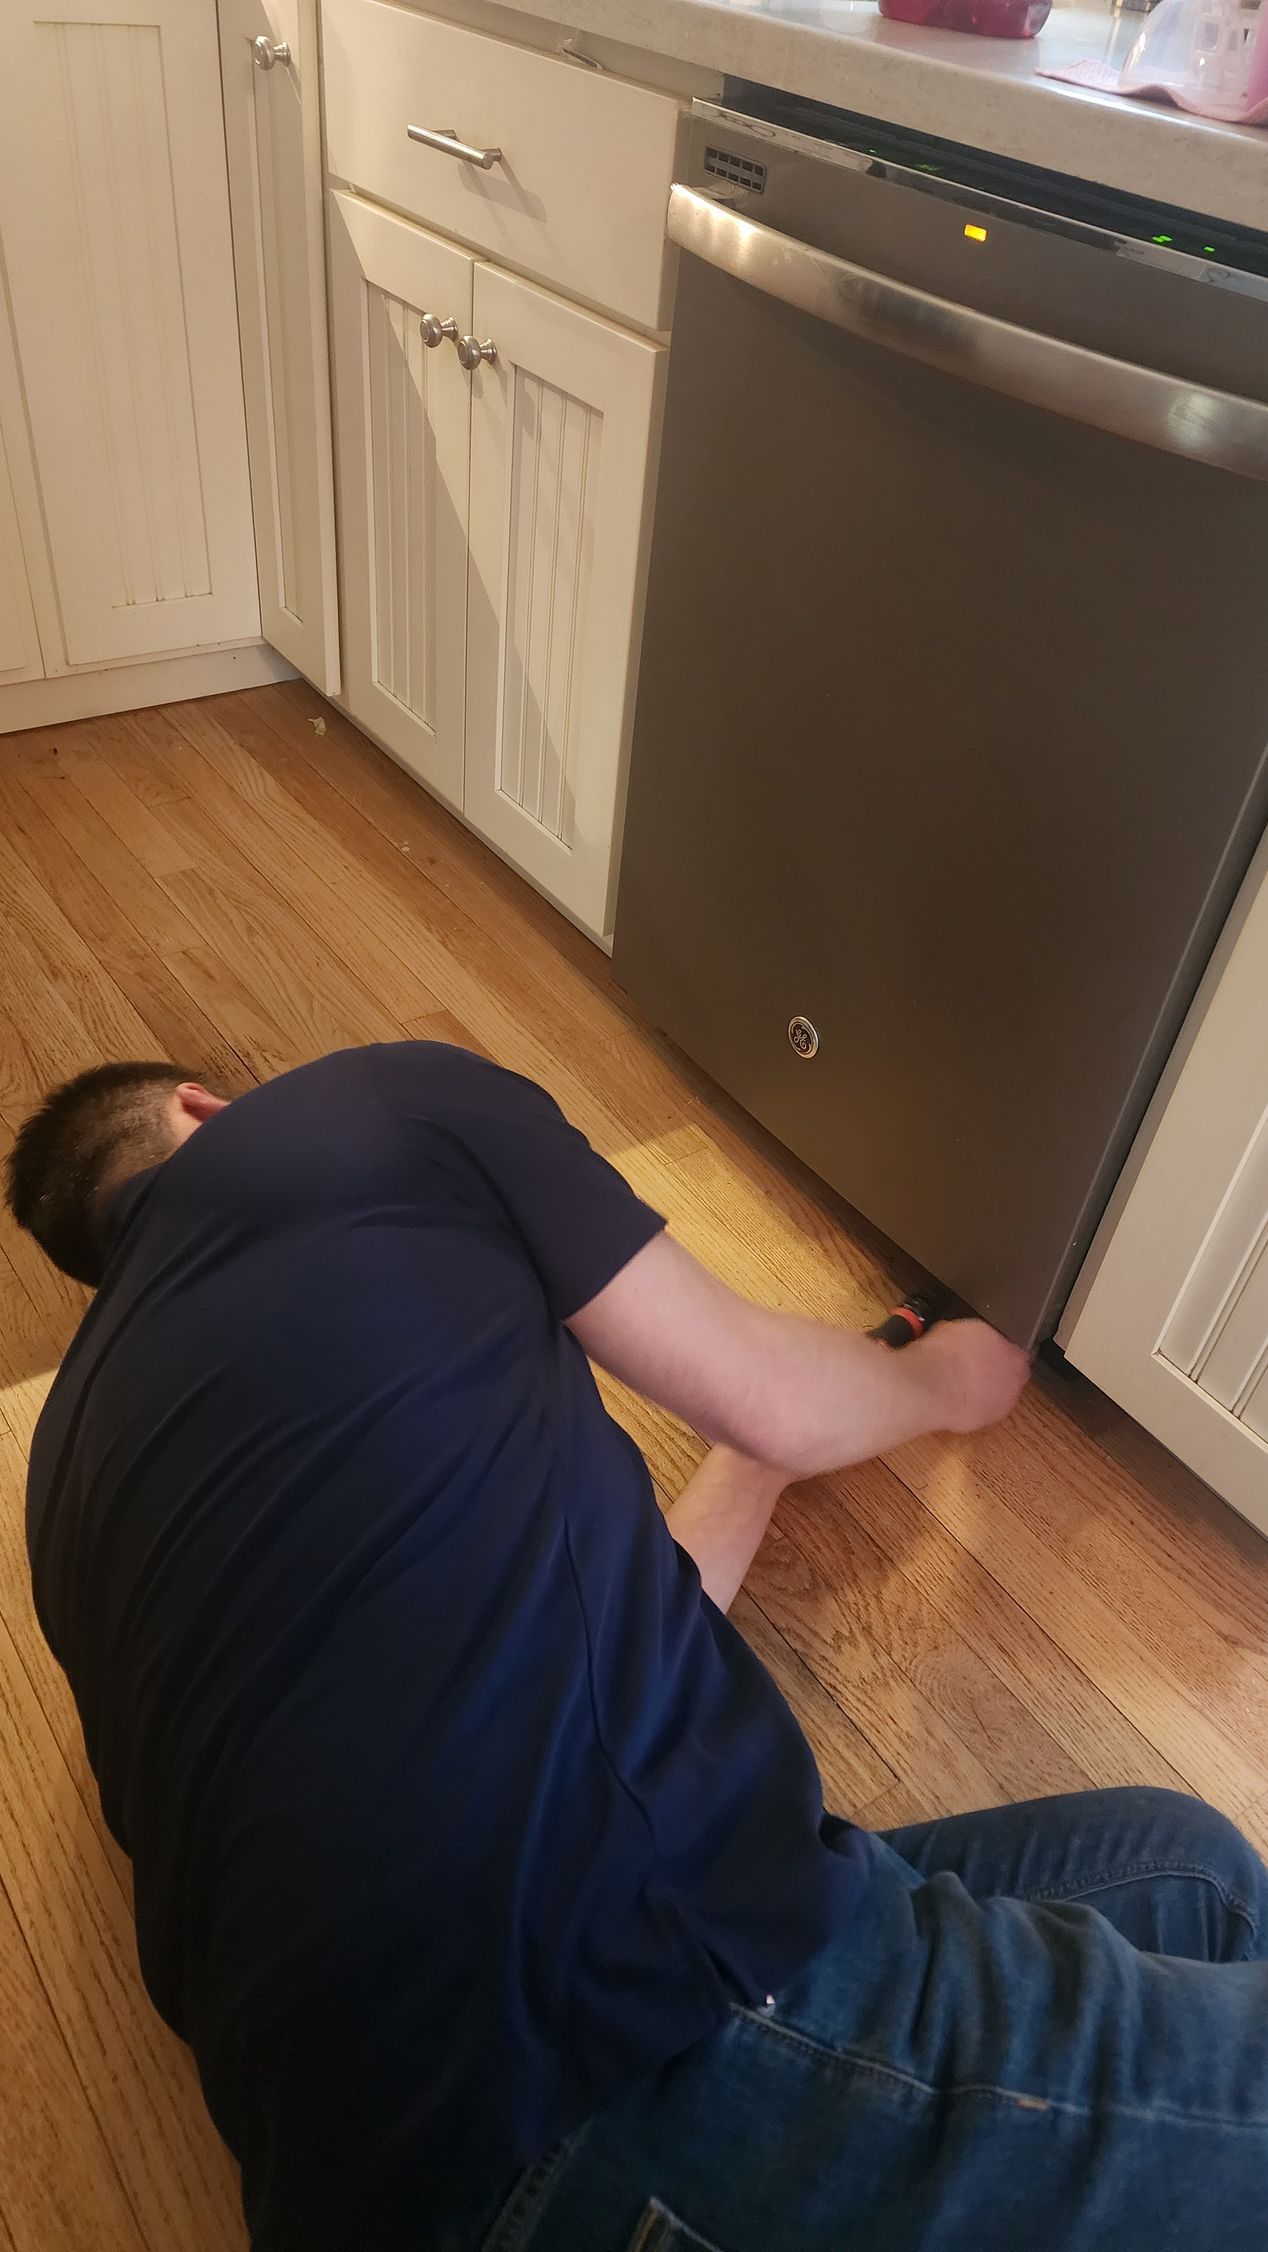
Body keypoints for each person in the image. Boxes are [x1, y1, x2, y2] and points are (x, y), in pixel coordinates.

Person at [6, 1044, 1267, 2252]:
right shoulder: (367, 1107)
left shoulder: (62, 1482)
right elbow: (766, 1387)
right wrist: (944, 1377)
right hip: (655, 2048)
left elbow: (565, 1659)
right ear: (211, 1104)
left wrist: (756, 1472)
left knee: (1192, 1870)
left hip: (383, 2184)